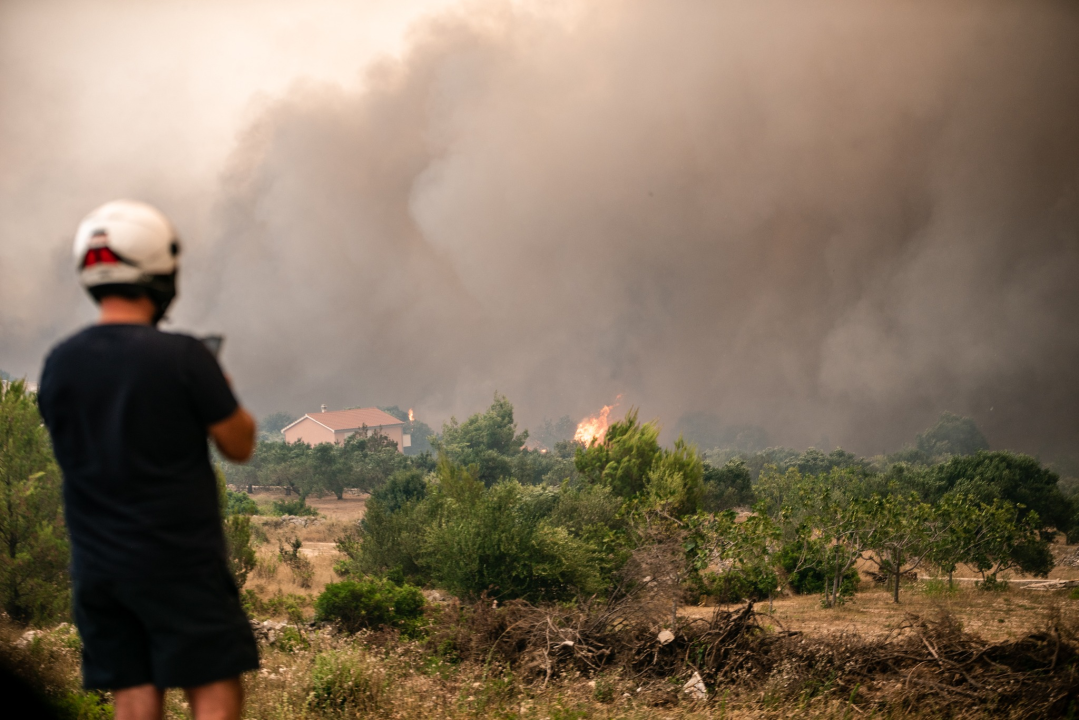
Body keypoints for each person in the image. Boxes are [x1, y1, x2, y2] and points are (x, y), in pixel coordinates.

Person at [37, 200, 259, 720]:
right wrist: (220, 388)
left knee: (133, 695)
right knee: (213, 689)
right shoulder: (185, 358)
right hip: (176, 561)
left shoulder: (59, 363)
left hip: (98, 567)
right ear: (161, 270)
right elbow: (239, 444)